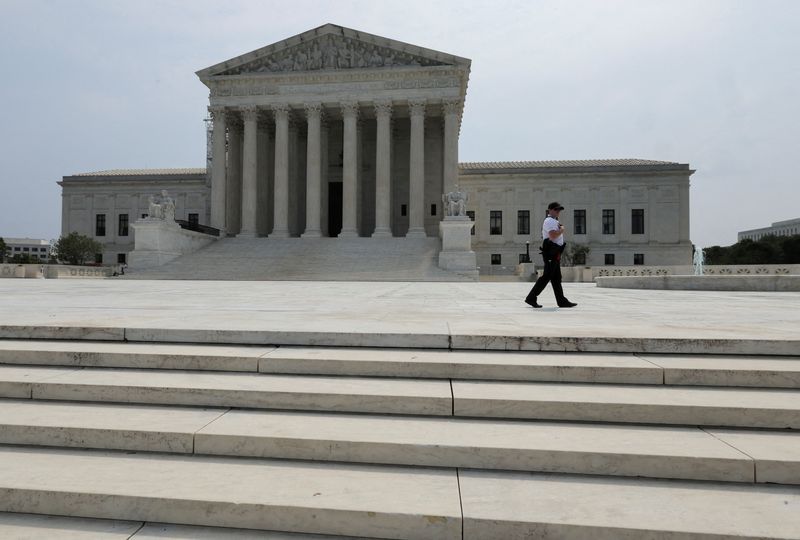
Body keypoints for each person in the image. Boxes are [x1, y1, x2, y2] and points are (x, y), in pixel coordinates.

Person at [525, 202, 578, 308]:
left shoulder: (554, 221)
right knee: (546, 276)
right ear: (550, 210)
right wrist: (562, 230)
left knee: (556, 278)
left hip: (555, 252)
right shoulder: (549, 221)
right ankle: (531, 297)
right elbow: (552, 235)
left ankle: (561, 301)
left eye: (559, 210)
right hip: (551, 252)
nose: (558, 212)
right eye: (556, 209)